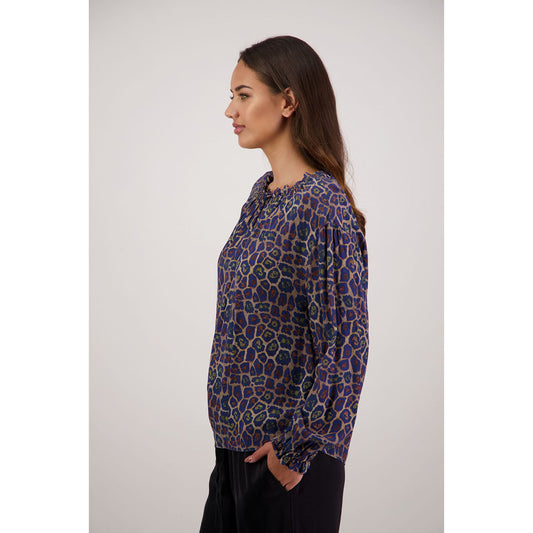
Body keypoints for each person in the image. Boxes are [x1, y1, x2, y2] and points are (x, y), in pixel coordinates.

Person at [199, 35, 369, 533]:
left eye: (244, 95)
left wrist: (296, 451)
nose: (231, 110)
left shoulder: (321, 205)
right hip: (235, 454)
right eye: (232, 96)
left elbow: (346, 345)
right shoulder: (262, 196)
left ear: (288, 101)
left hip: (289, 464)